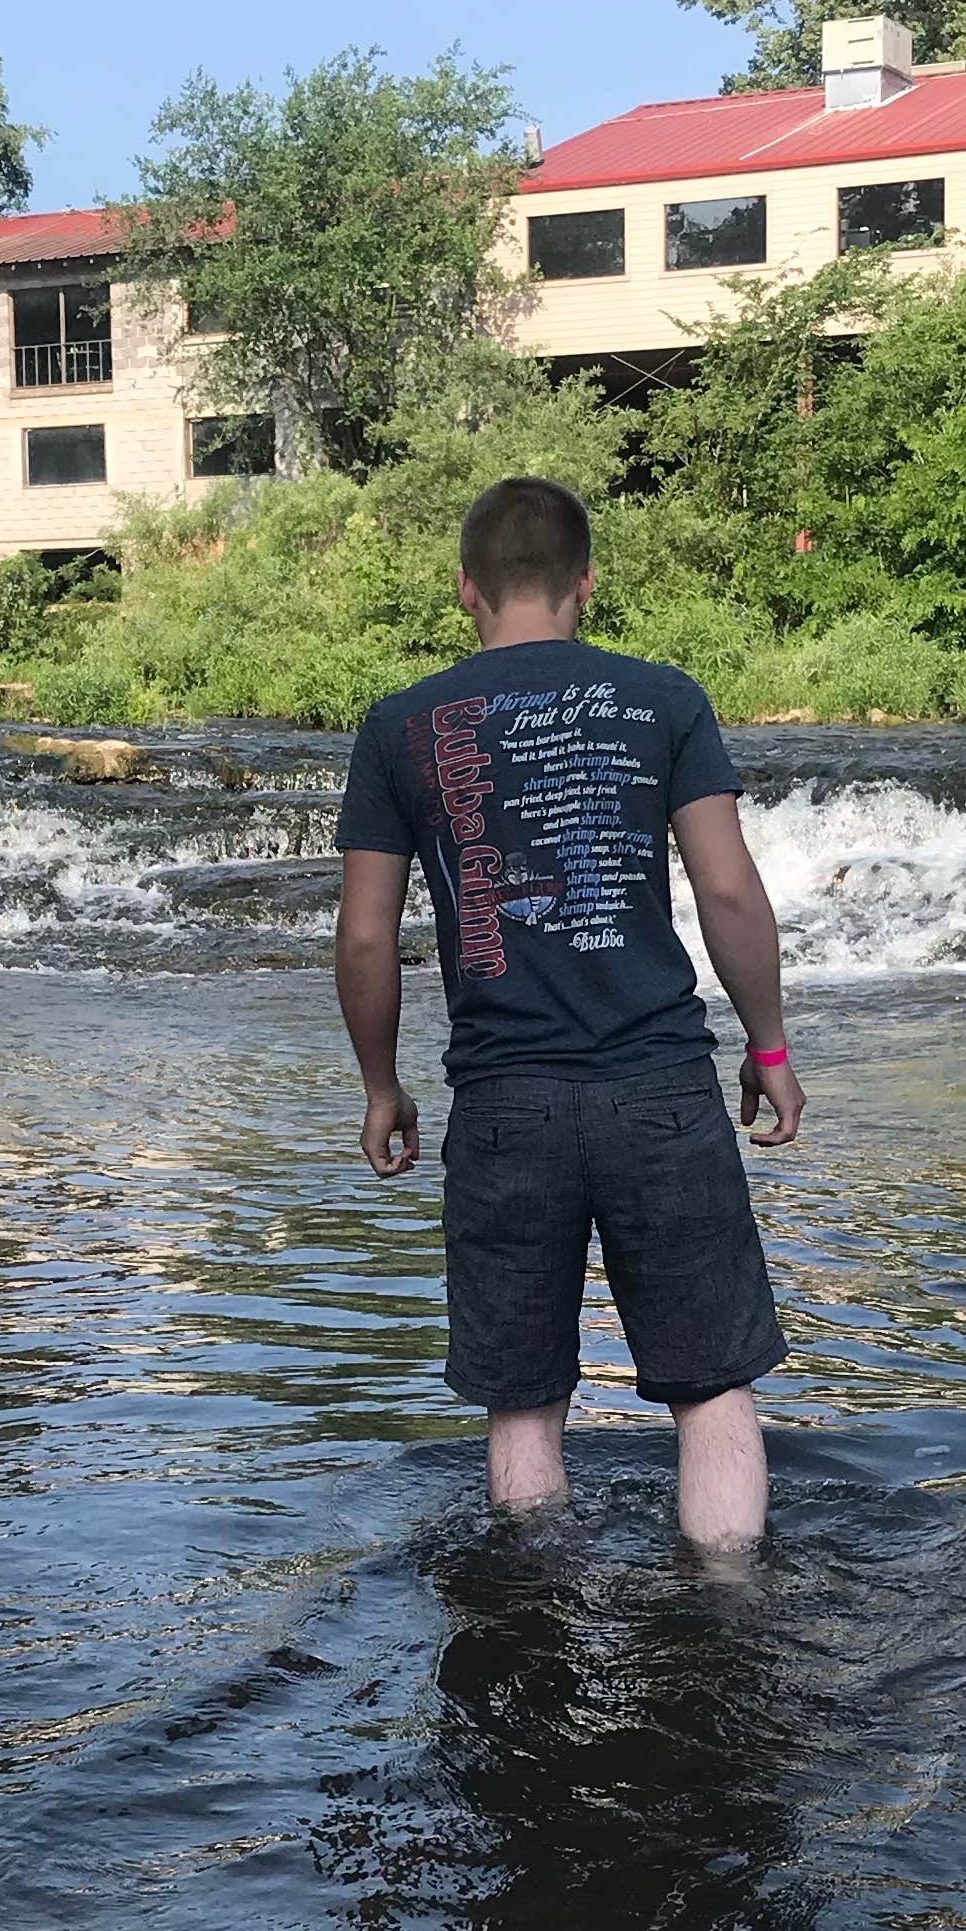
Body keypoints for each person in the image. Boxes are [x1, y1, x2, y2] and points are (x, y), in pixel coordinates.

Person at [332, 473, 804, 1546]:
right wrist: (769, 1046)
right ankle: (730, 1606)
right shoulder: (664, 700)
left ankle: (528, 1618)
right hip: (661, 1089)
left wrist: (380, 1085)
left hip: (505, 1103)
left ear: (466, 588)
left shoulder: (400, 726)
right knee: (713, 1389)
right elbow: (729, 891)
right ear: (586, 583)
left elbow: (363, 935)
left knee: (524, 1404)